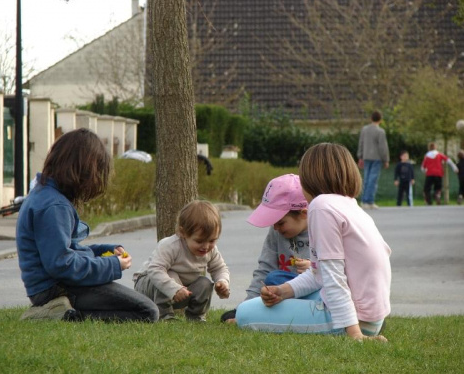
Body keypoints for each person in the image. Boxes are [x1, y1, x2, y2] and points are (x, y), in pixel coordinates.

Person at [236, 143, 391, 342]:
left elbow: (334, 277)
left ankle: (356, 330)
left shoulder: (321, 207)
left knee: (244, 313)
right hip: (368, 316)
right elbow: (320, 274)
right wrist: (282, 291)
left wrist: (355, 335)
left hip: (352, 320)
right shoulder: (349, 204)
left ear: (310, 179)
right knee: (270, 296)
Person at [17, 128, 159, 323]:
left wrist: (103, 251)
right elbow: (62, 265)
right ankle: (59, 313)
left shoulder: (46, 195)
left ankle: (63, 312)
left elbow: (65, 252)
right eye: (96, 173)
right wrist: (112, 264)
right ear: (83, 169)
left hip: (53, 287)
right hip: (56, 290)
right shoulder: (54, 206)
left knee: (146, 309)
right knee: (147, 312)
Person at [221, 174, 310, 323]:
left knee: (274, 279)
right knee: (273, 278)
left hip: (315, 294)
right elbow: (265, 269)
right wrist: (244, 307)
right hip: (282, 294)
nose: (275, 228)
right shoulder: (276, 232)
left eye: (281, 223)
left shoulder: (322, 230)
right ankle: (253, 310)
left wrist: (314, 268)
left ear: (303, 214)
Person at [134, 200, 230, 321]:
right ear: (183, 233)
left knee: (204, 283)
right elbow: (155, 270)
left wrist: (222, 282)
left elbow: (219, 268)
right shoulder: (170, 246)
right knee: (170, 274)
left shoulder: (210, 250)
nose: (206, 246)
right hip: (148, 286)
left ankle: (196, 316)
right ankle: (164, 316)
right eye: (199, 241)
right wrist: (174, 288)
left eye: (212, 240)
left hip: (180, 290)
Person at [357, 110, 390, 209]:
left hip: (366, 157)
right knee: (373, 180)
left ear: (371, 118)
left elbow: (361, 143)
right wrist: (386, 159)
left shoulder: (364, 129)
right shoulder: (380, 131)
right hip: (376, 158)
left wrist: (360, 156)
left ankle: (364, 201)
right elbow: (383, 147)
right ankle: (369, 201)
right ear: (380, 120)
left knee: (366, 179)